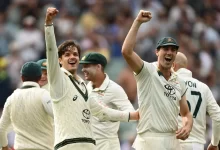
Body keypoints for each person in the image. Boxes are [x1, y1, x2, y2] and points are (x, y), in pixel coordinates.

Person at [44, 7, 139, 150]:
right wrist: (49, 25)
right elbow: (51, 52)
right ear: (59, 60)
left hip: (89, 145)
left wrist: (133, 115)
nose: (72, 57)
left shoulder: (83, 84)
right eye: (67, 54)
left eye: (75, 54)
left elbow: (101, 111)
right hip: (68, 144)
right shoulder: (59, 79)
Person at [121, 10, 193, 150]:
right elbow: (126, 52)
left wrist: (188, 125)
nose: (169, 53)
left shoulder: (179, 81)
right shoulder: (147, 71)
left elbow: (186, 113)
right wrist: (137, 22)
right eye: (165, 49)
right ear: (157, 52)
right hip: (149, 139)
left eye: (173, 50)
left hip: (172, 140)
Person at [79, 52, 135, 150]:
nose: (83, 69)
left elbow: (131, 114)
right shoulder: (86, 88)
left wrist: (107, 113)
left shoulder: (114, 89)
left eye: (87, 66)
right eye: (83, 66)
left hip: (107, 145)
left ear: (98, 67)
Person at [0, 62, 54, 150]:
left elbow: (1, 128)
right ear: (40, 77)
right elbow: (58, 118)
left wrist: (5, 147)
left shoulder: (11, 98)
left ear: (21, 78)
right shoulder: (44, 95)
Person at [173, 52, 220, 150]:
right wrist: (214, 143)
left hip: (173, 143)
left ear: (173, 65)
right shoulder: (203, 87)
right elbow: (218, 116)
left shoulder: (168, 85)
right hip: (196, 145)